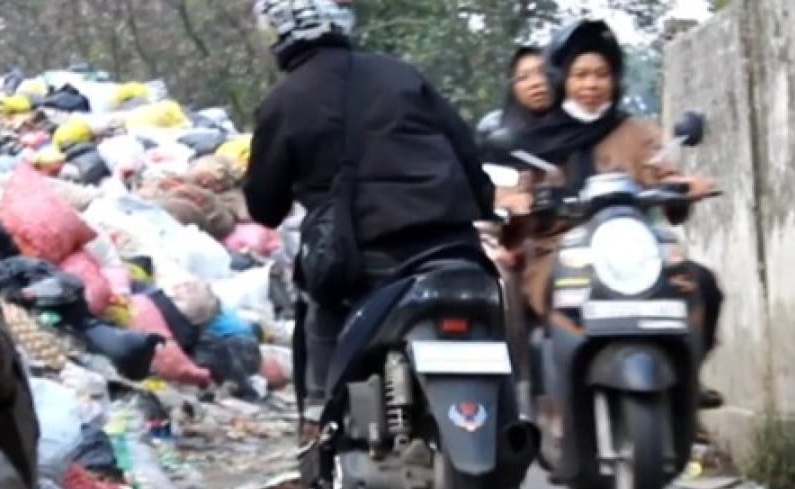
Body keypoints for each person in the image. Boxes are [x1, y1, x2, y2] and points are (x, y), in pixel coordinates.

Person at [242, 0, 496, 449]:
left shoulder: (284, 101)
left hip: (366, 257)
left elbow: (264, 207)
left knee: (319, 301)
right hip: (450, 242)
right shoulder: (402, 74)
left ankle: (319, 421)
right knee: (487, 318)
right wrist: (483, 207)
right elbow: (465, 150)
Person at [499, 19, 725, 409]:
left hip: (634, 252)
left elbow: (666, 176)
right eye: (580, 74)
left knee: (702, 283)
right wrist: (521, 202)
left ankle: (686, 379)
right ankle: (545, 395)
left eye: (601, 74)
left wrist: (684, 188)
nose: (591, 85)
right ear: (563, 79)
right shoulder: (538, 138)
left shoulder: (638, 131)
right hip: (562, 253)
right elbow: (517, 200)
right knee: (538, 292)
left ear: (615, 78)